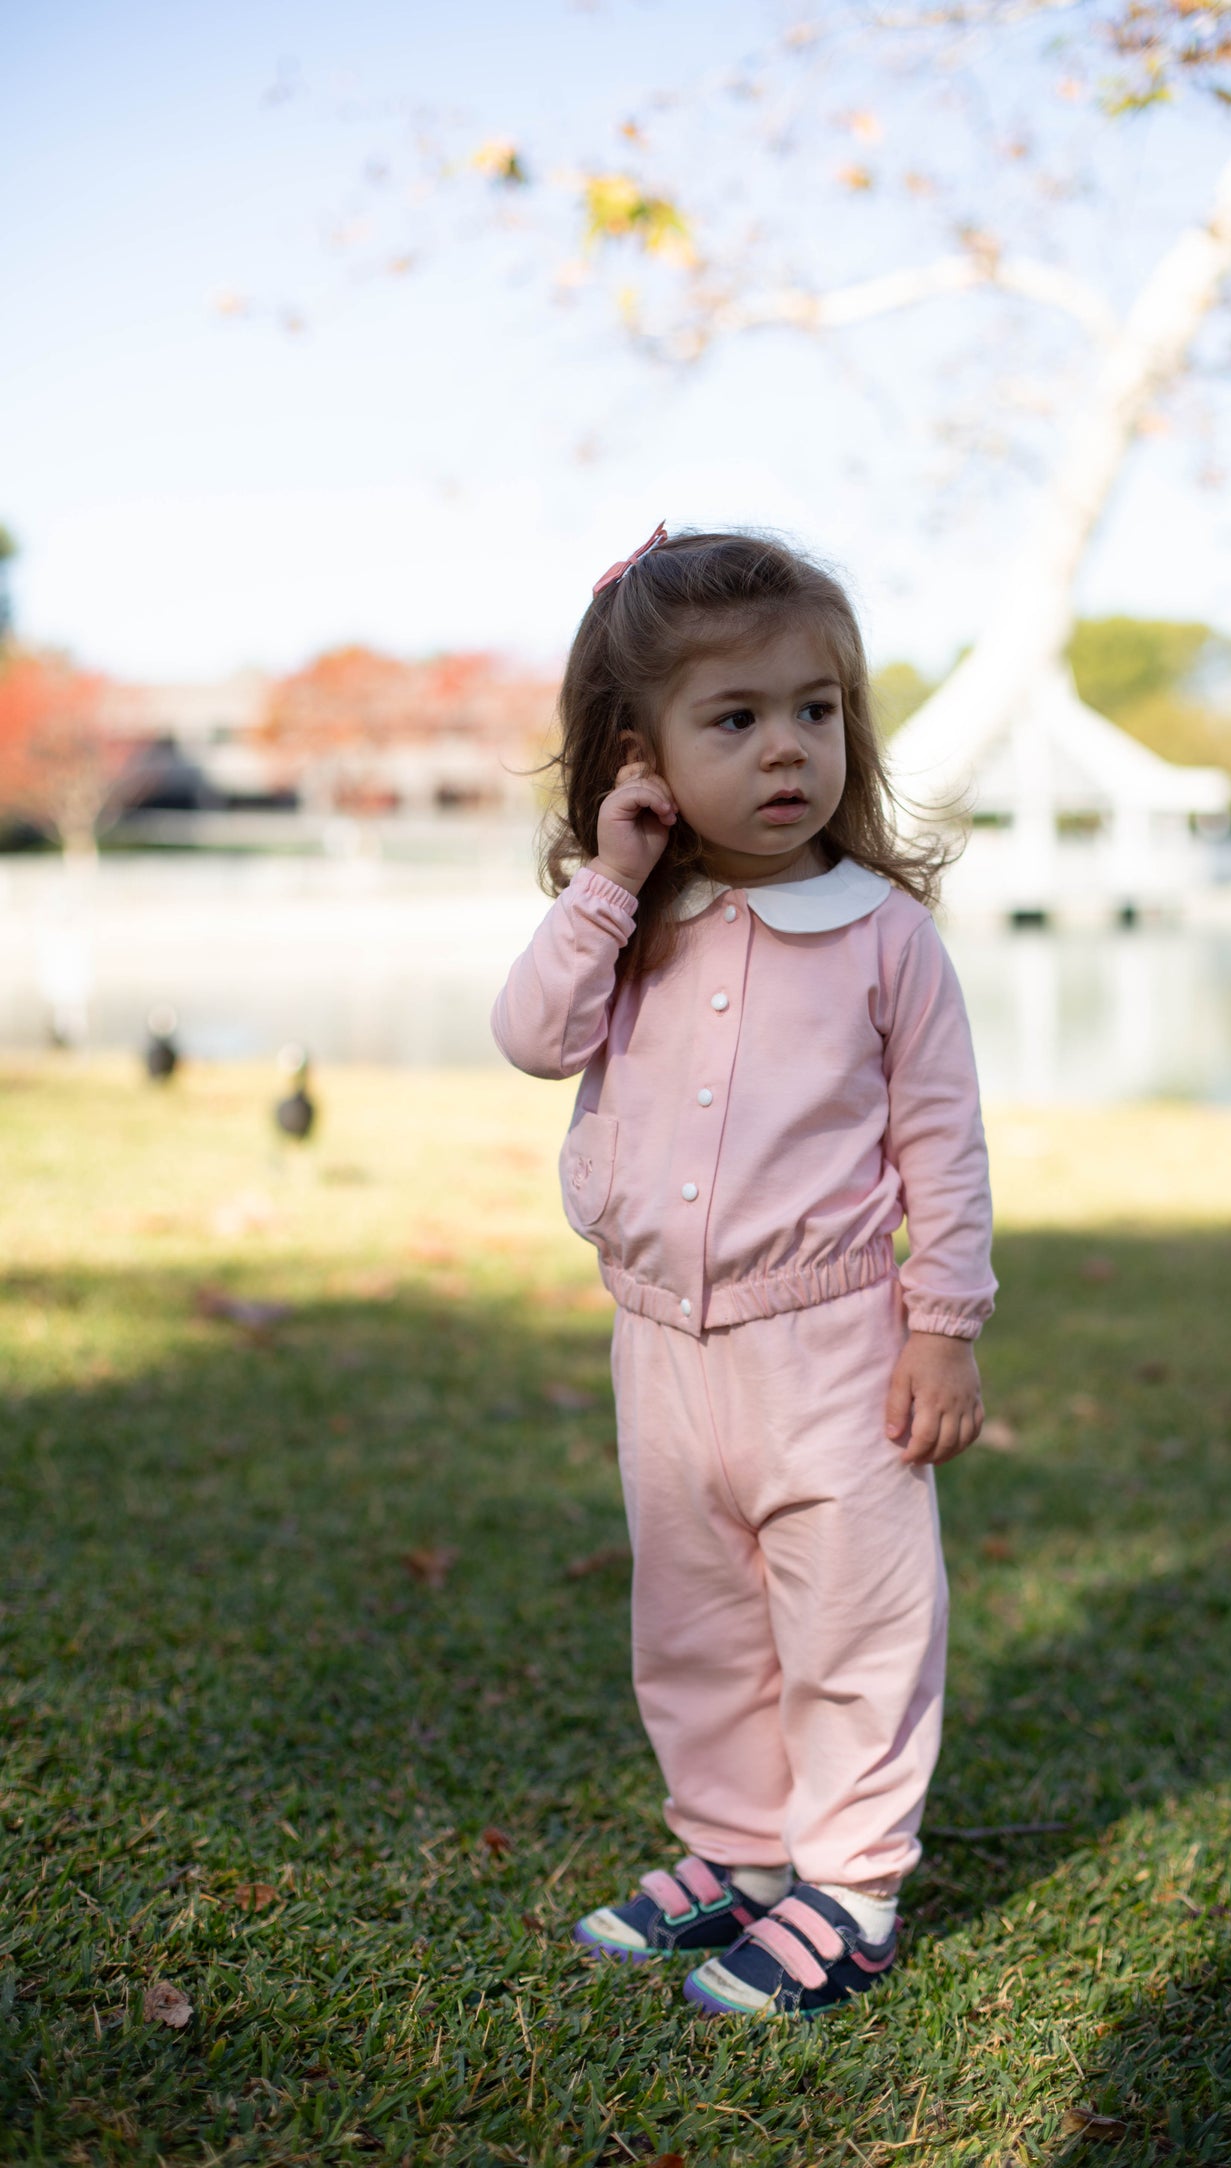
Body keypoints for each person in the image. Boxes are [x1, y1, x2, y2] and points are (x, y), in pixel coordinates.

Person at [491, 525, 996, 2019]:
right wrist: (611, 878)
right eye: (735, 718)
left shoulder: (885, 940)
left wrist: (943, 1326)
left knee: (852, 1624)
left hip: (832, 1348)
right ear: (639, 756)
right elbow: (531, 1039)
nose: (787, 748)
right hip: (661, 1349)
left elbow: (943, 1144)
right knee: (698, 1623)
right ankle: (740, 1853)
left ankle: (850, 1887)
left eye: (814, 710)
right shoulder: (628, 925)